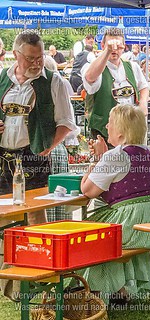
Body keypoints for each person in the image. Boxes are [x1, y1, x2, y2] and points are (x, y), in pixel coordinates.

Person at [80, 104, 150, 302]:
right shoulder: (146, 152)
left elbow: (88, 190)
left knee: (94, 235)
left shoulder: (115, 155)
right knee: (113, 234)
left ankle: (95, 292)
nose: (106, 127)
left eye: (110, 123)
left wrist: (94, 161)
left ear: (121, 132)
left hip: (132, 222)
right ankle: (121, 288)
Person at [0, 31, 76, 224]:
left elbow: (66, 122)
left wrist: (49, 146)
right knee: (2, 209)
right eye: (30, 58)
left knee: (34, 210)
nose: (36, 63)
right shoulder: (2, 77)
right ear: (15, 54)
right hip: (2, 156)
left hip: (34, 155)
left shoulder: (53, 81)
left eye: (40, 57)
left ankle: (38, 252)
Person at [82, 28, 149, 141]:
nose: (114, 50)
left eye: (118, 47)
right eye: (110, 46)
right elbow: (90, 77)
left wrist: (143, 102)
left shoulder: (132, 66)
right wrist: (107, 51)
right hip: (103, 132)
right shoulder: (92, 66)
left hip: (130, 130)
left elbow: (143, 87)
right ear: (102, 46)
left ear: (124, 46)